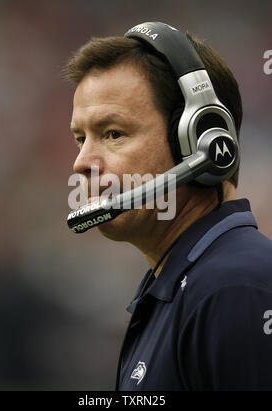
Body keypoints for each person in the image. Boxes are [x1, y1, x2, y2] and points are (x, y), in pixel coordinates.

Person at [66, 22, 272, 391]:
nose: (81, 162)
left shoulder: (236, 288)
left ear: (200, 139)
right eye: (81, 138)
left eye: (113, 133)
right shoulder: (184, 283)